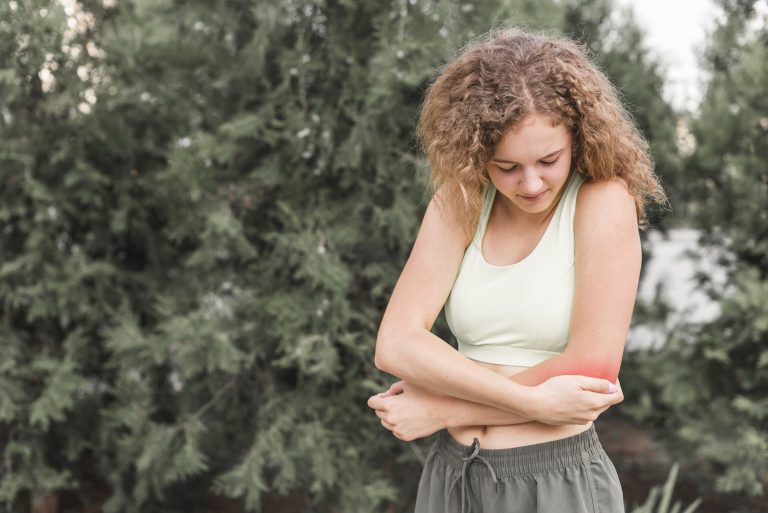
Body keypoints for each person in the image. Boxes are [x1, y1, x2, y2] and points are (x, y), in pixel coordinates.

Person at [366, 27, 667, 513]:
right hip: (452, 475)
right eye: (506, 167)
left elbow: (592, 370)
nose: (530, 184)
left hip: (554, 480)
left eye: (549, 160)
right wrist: (533, 402)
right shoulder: (460, 203)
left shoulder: (602, 202)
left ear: (578, 136)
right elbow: (396, 343)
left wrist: (443, 408)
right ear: (477, 153)